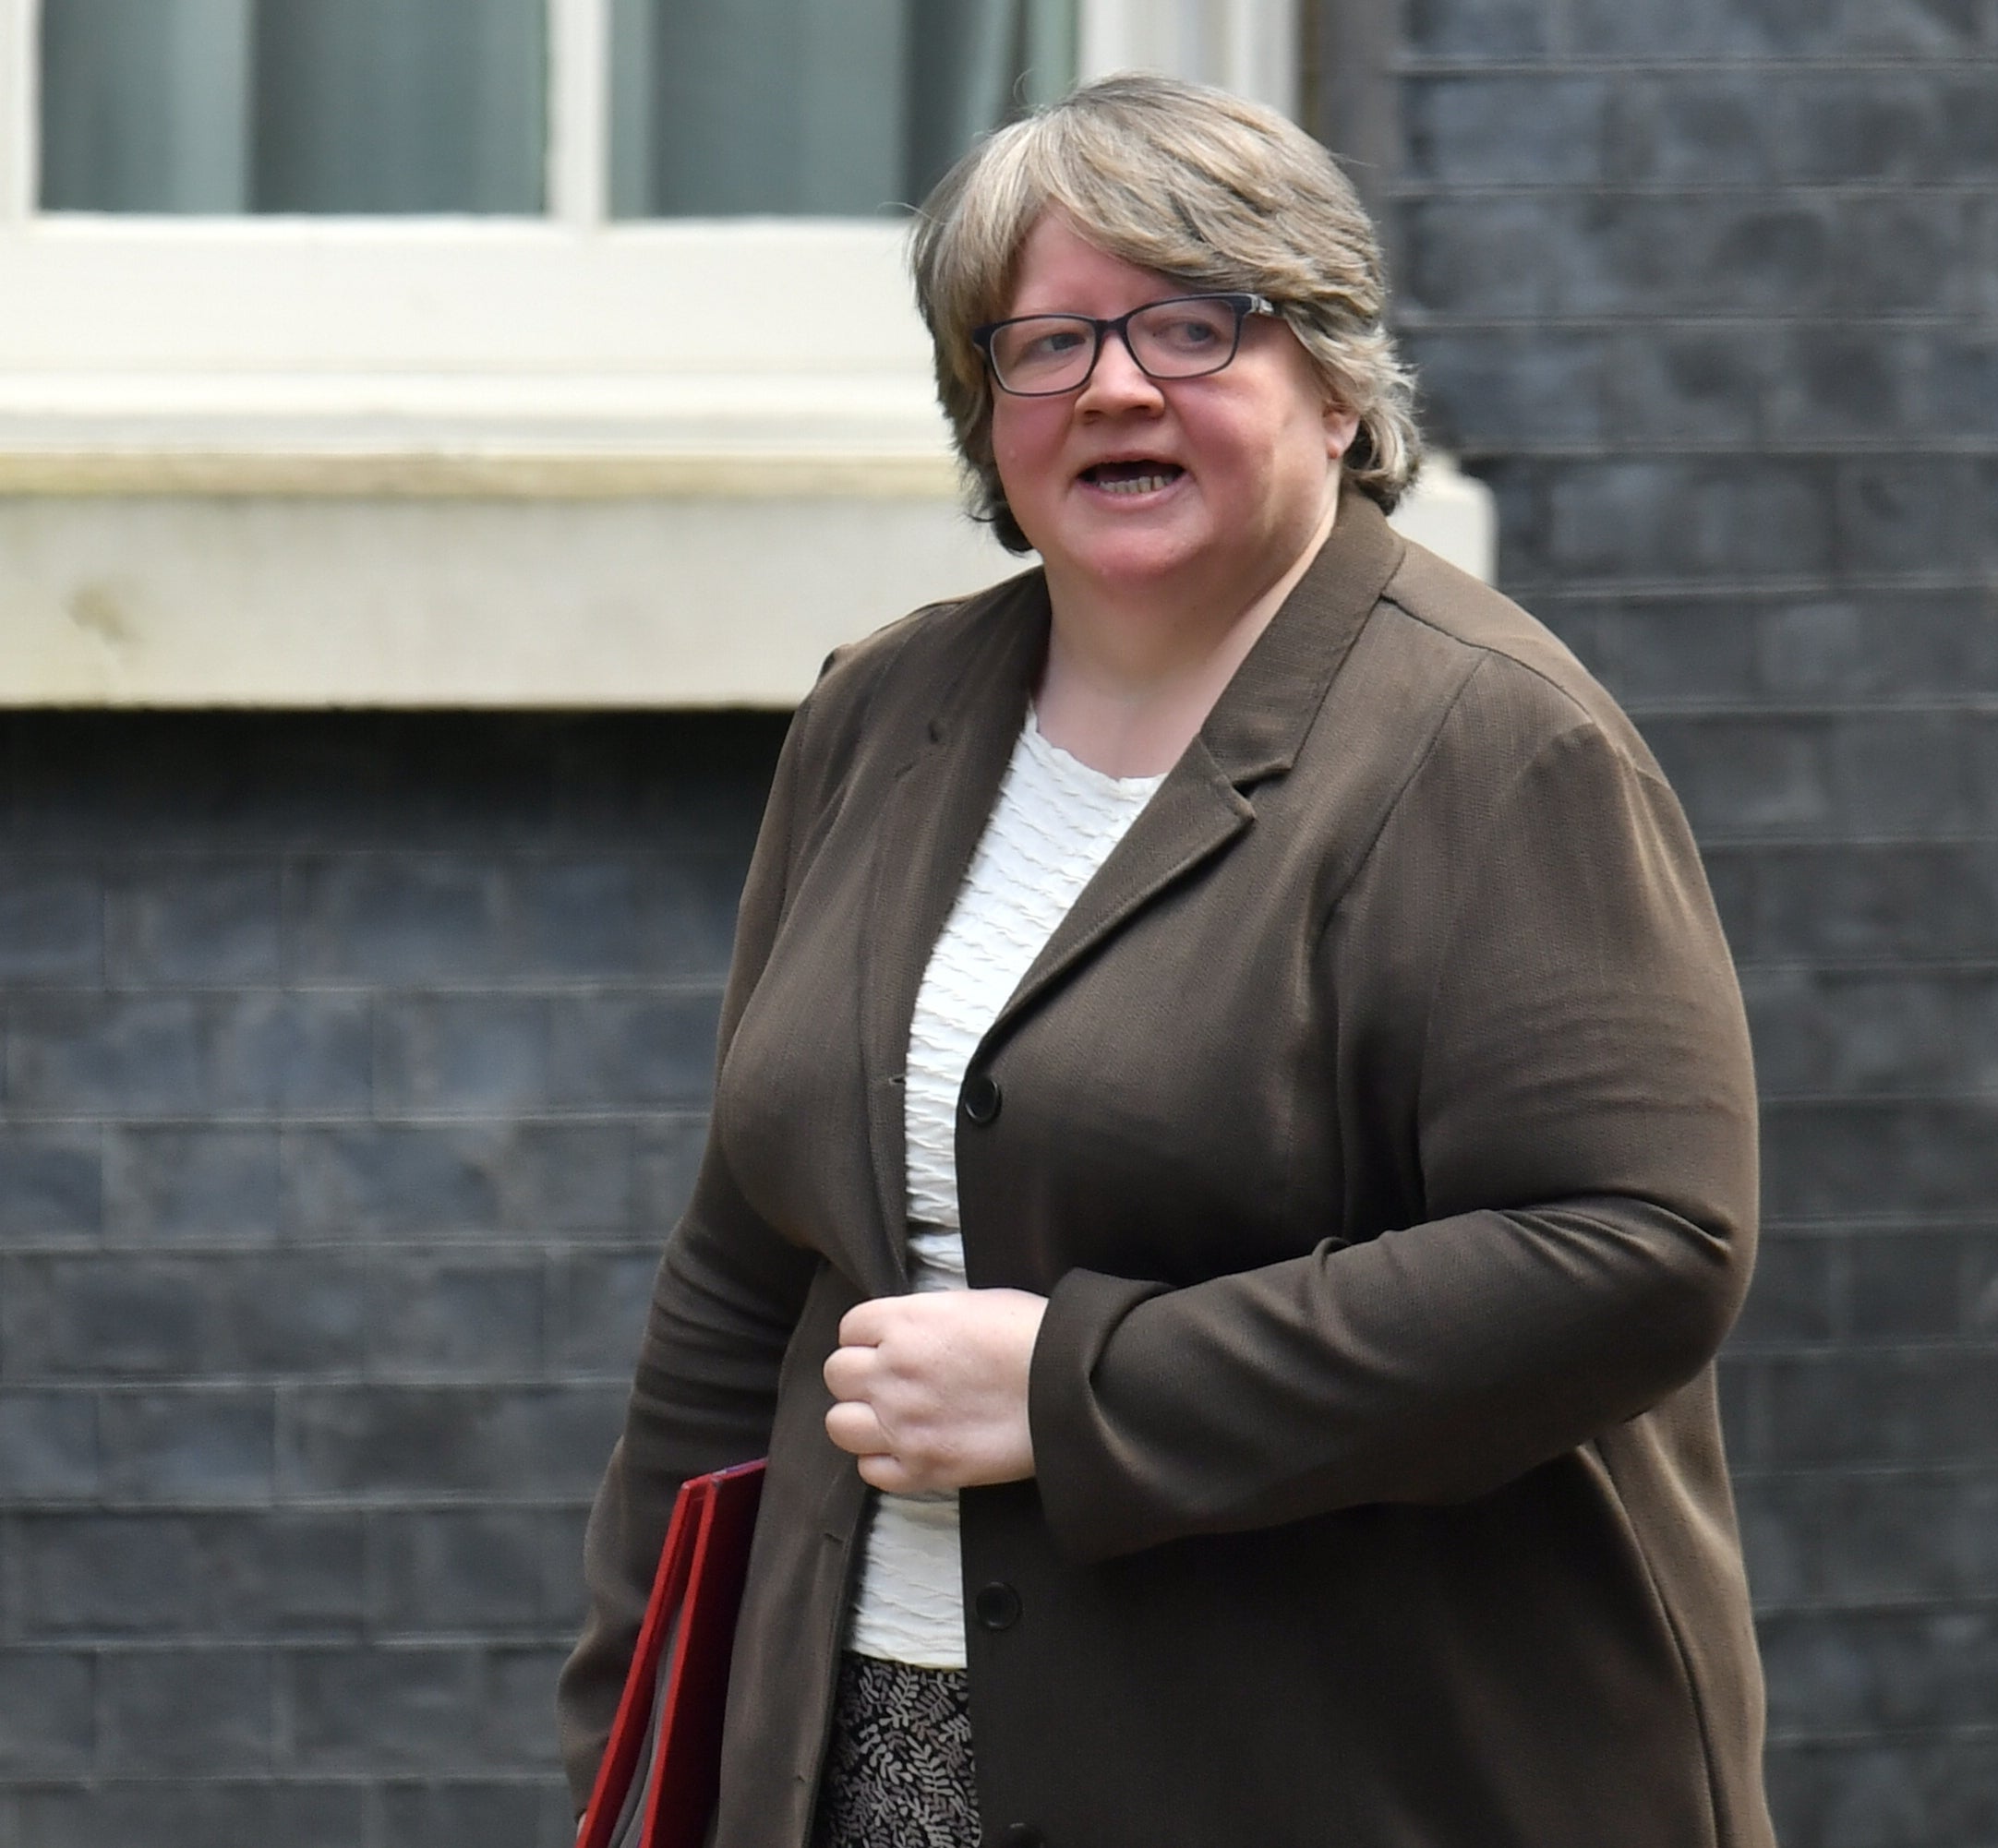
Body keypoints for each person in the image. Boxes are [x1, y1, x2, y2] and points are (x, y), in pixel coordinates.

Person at [560, 71, 1772, 1848]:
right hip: (864, 1753)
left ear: (1338, 377)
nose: (1114, 384)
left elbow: (1639, 1249)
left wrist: (1077, 1387)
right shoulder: (878, 714)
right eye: (1040, 345)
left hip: (1334, 1767)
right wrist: (634, 1727)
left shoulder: (1495, 743)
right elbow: (743, 1278)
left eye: (1192, 326)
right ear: (985, 417)